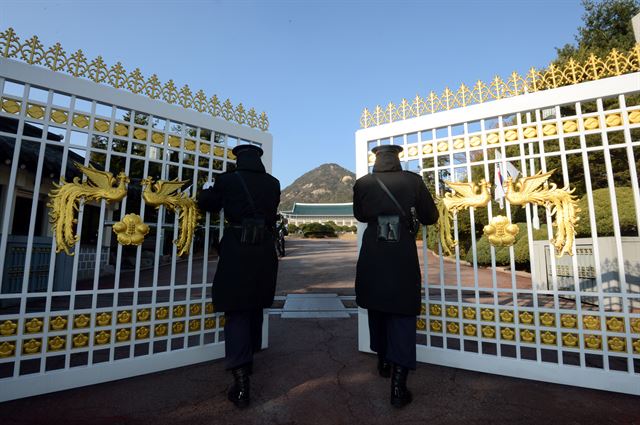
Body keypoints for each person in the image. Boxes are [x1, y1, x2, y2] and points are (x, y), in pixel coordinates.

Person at [353, 144, 438, 408]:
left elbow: (359, 214)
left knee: (376, 304)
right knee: (402, 311)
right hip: (401, 248)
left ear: (376, 159)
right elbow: (430, 216)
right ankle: (399, 388)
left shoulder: (363, 183)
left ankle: (382, 360)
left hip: (374, 248)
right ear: (397, 158)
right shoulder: (412, 181)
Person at [197, 144, 280, 408]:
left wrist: (209, 189)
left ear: (238, 160)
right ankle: (251, 355)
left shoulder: (227, 180)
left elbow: (206, 204)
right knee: (255, 301)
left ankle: (241, 379)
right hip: (264, 247)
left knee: (237, 309)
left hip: (237, 246)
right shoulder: (273, 183)